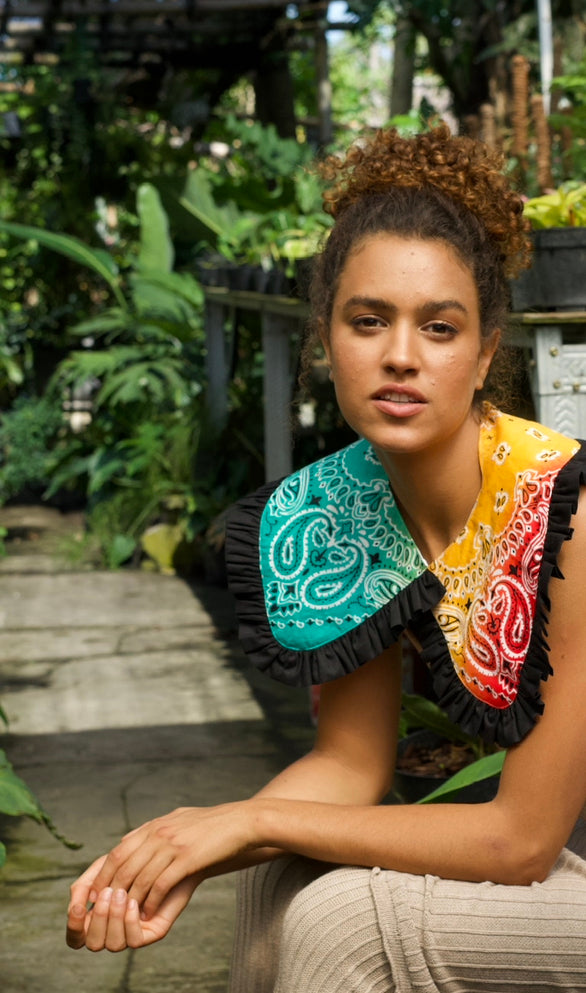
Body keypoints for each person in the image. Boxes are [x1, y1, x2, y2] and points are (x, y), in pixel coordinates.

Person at [66, 124, 586, 991]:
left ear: (487, 350)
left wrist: (244, 819)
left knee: (342, 921)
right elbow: (352, 765)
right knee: (280, 872)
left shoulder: (563, 512)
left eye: (441, 327)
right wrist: (179, 847)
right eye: (369, 319)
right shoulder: (338, 508)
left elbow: (520, 841)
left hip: (555, 847)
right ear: (325, 338)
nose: (401, 356)